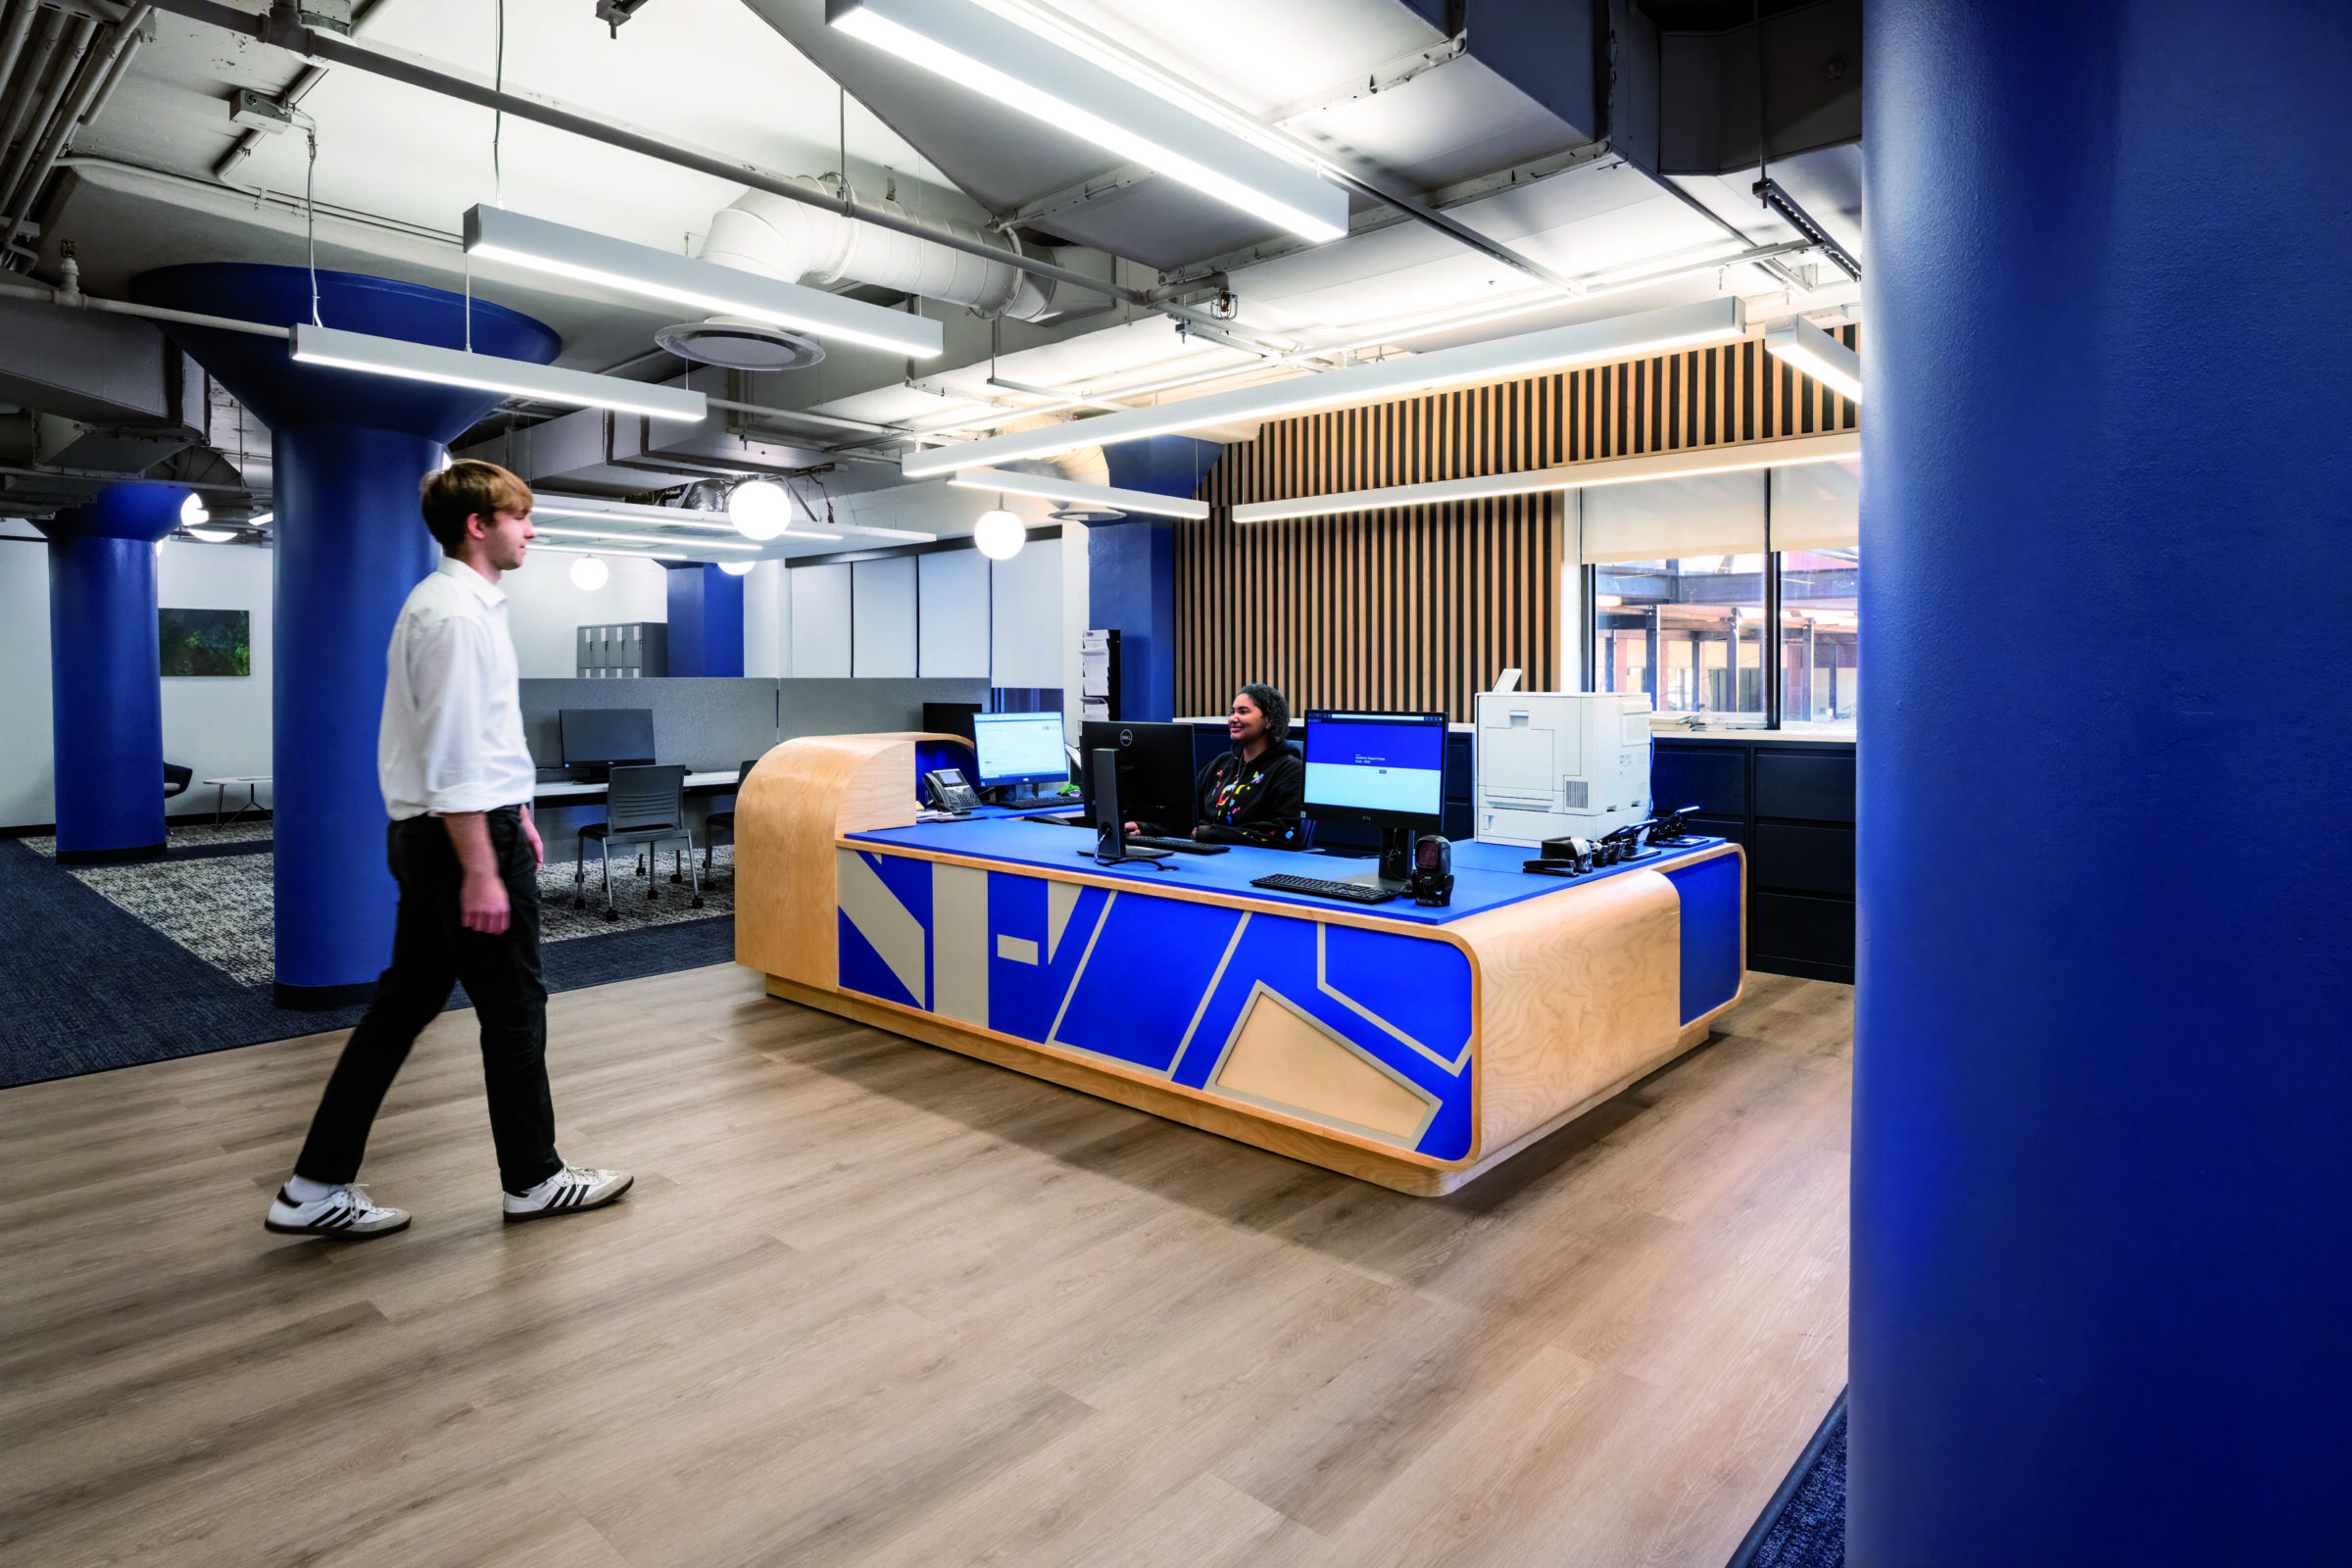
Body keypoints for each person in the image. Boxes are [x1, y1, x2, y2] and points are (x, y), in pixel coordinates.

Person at [264, 460, 631, 1240]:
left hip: (446, 830)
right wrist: (481, 867)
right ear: (478, 525)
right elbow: (455, 756)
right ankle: (534, 1179)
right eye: (519, 516)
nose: (532, 529)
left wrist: (520, 808)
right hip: (460, 837)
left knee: (402, 1006)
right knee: (514, 1008)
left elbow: (479, 737)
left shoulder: (455, 606)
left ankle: (312, 1186)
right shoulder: (456, 617)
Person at [1130, 683, 1305, 849]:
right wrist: (1146, 828)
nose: (1233, 719)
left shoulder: (1289, 770)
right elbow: (1186, 817)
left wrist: (1212, 833)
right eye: (1232, 712)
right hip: (1209, 855)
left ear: (1269, 720)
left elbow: (1285, 832)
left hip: (1255, 863)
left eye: (1243, 712)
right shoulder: (1222, 764)